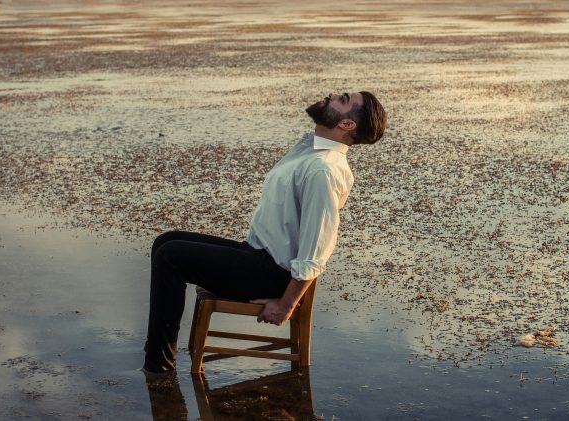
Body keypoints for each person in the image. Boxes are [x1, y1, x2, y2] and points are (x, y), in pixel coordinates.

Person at [142, 91, 387, 375]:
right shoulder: (311, 150)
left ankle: (158, 368)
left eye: (342, 99)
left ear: (347, 125)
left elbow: (318, 247)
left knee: (170, 257)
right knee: (166, 241)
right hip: (257, 254)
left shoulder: (324, 170)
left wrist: (286, 305)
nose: (332, 94)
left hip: (272, 275)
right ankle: (160, 358)